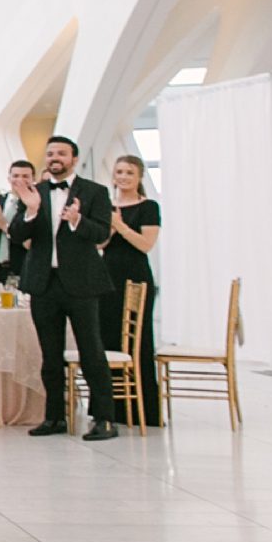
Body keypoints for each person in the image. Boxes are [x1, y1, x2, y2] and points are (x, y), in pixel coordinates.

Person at [13, 136, 117, 440]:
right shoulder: (36, 192)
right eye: (50, 153)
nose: (55, 157)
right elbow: (18, 235)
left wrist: (77, 221)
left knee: (91, 352)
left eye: (61, 153)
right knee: (49, 354)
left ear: (74, 158)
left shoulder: (95, 192)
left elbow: (100, 233)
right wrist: (31, 211)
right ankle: (54, 417)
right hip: (44, 284)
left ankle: (105, 419)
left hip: (81, 283)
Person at [103, 154, 162, 427]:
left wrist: (121, 226)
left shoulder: (148, 206)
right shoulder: (107, 206)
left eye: (129, 172)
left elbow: (145, 244)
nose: (123, 177)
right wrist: (108, 229)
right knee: (108, 337)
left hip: (136, 276)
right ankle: (111, 409)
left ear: (139, 177)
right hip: (108, 276)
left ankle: (143, 409)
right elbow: (101, 244)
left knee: (138, 339)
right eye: (119, 171)